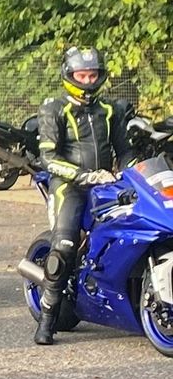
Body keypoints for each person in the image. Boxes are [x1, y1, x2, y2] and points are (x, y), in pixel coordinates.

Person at [33, 46, 136, 346]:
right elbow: (48, 158)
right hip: (69, 186)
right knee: (64, 248)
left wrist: (130, 171)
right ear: (69, 75)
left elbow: (125, 149)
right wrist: (83, 176)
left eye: (93, 75)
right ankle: (47, 320)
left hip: (106, 184)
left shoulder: (110, 110)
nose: (88, 81)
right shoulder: (54, 108)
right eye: (82, 75)